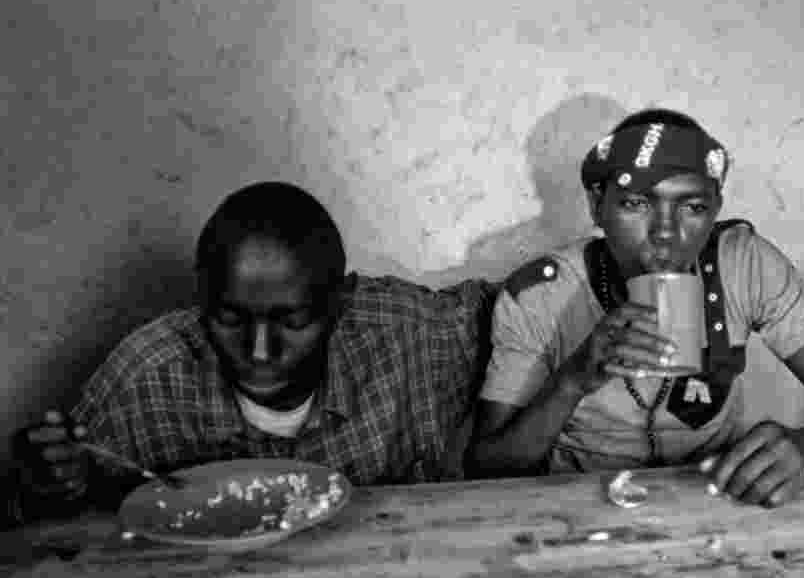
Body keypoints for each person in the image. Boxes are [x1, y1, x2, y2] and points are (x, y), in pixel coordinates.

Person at [469, 108, 804, 507]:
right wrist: (572, 380)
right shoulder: (539, 294)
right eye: (636, 204)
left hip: (712, 500)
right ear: (597, 206)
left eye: (692, 208)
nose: (665, 233)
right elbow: (489, 467)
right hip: (578, 509)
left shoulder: (743, 266)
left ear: (715, 210)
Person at [5, 181, 495, 527]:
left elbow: (513, 314)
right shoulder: (148, 376)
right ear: (201, 298)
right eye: (231, 319)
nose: (260, 352)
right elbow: (43, 520)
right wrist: (45, 483)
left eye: (292, 320)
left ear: (340, 303)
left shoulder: (404, 335)